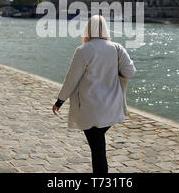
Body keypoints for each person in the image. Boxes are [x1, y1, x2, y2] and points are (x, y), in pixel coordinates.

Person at [52, 14, 136, 173]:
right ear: (105, 29)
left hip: (90, 109)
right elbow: (130, 72)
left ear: (88, 30)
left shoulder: (83, 50)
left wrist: (59, 101)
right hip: (111, 108)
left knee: (98, 152)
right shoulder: (117, 48)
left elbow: (72, 79)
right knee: (98, 147)